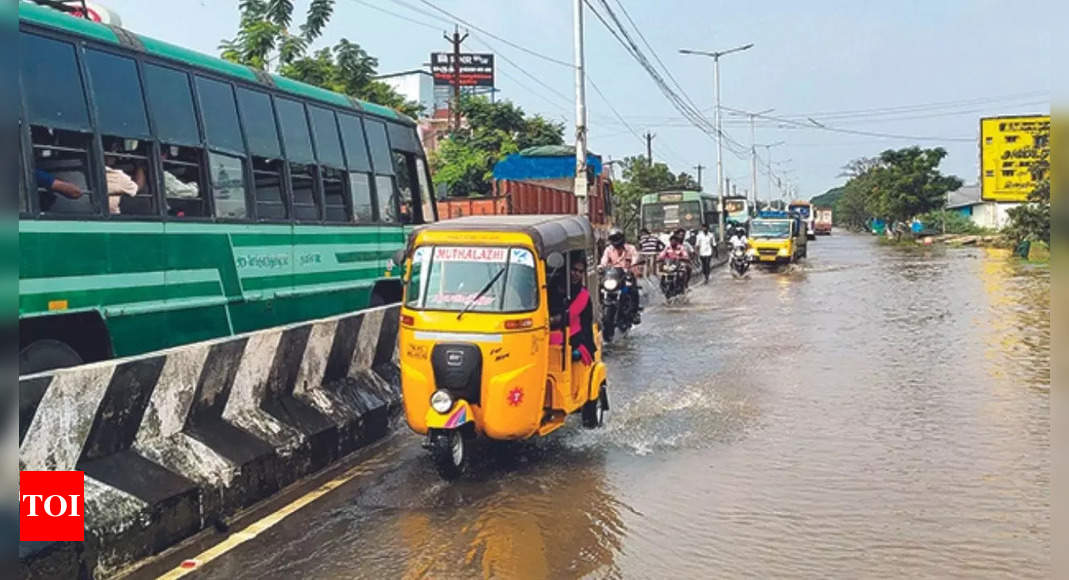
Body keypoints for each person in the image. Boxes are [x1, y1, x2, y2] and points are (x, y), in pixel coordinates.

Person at [550, 259, 597, 366]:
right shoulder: (552, 288)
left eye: (580, 272)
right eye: (574, 270)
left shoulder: (583, 296)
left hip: (572, 338)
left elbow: (586, 324)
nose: (577, 274)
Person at [599, 228, 642, 324]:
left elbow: (636, 257)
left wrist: (633, 264)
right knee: (601, 288)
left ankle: (634, 313)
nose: (614, 241)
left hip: (626, 277)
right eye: (612, 239)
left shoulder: (630, 248)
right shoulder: (608, 249)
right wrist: (601, 267)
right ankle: (600, 309)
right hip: (612, 277)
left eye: (616, 238)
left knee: (632, 289)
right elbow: (604, 261)